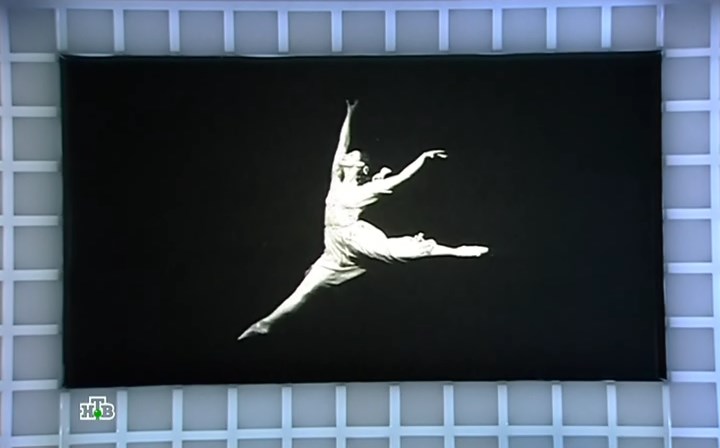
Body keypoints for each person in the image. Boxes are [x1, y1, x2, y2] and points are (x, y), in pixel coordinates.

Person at [238, 100, 489, 341]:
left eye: (352, 156)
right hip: (333, 247)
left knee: (393, 252)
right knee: (305, 290)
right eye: (348, 155)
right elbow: (341, 145)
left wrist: (422, 158)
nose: (346, 156)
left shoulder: (366, 191)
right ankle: (265, 325)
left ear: (360, 167)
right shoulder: (336, 181)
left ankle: (456, 250)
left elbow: (401, 178)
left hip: (354, 237)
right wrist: (349, 114)